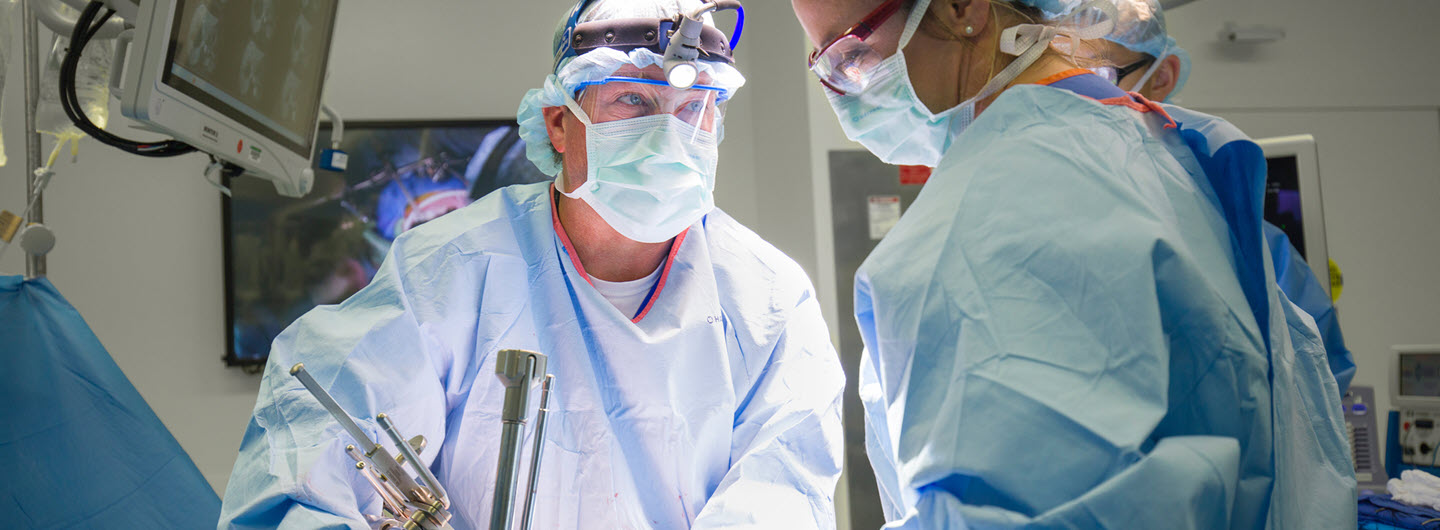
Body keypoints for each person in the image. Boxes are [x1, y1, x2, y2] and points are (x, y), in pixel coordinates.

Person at [218, 0, 846, 527]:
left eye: (694, 107)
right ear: (560, 125)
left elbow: (783, 487)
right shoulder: (450, 270)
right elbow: (312, 470)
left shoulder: (767, 298)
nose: (670, 133)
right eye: (632, 101)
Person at [791, 0, 1355, 527]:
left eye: (852, 55)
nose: (841, 93)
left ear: (964, 8)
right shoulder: (1151, 143)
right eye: (824, 68)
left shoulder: (998, 208)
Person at [1083, 1, 1356, 392]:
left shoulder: (1247, 249)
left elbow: (1317, 394)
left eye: (1097, 76)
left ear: (1161, 77)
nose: (1073, 98)